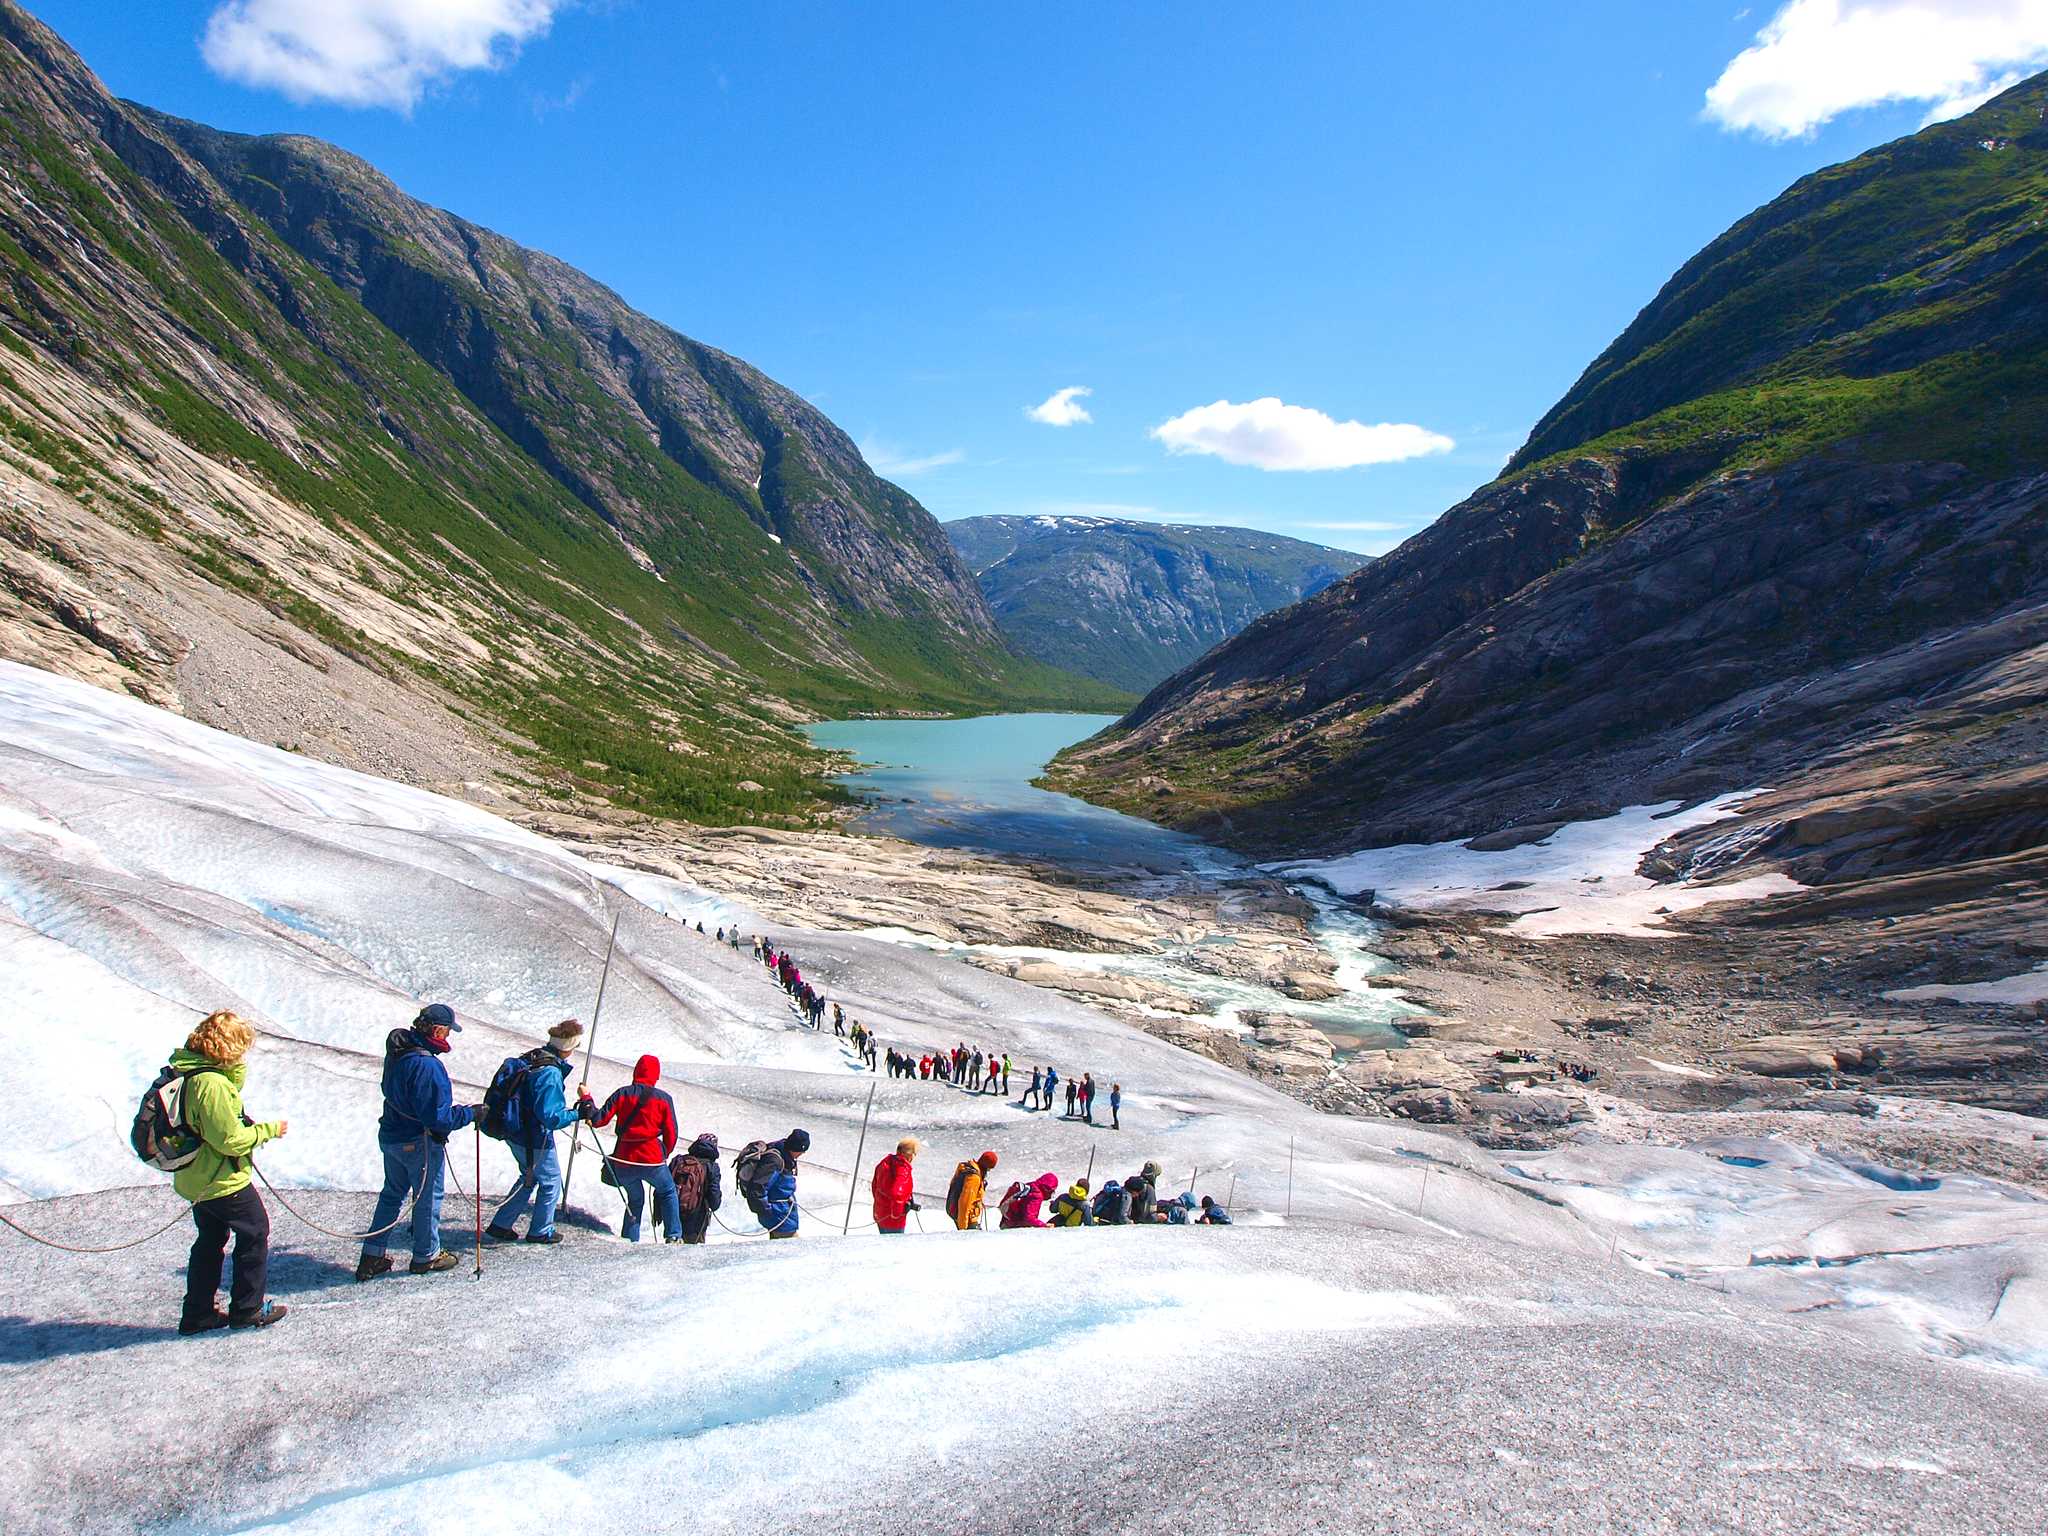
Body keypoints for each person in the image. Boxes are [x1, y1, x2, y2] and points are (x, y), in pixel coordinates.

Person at [168, 1011, 288, 1334]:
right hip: (220, 1180)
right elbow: (231, 1140)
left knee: (209, 1240)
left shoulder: (191, 1070)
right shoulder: (212, 1085)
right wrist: (269, 1130)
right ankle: (247, 1309)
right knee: (255, 1233)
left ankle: (198, 1313)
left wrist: (233, 1070)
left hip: (196, 1179)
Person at [356, 1003, 475, 1283]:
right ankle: (426, 1255)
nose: (448, 1037)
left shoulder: (398, 1052)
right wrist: (471, 1113)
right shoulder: (428, 1065)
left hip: (391, 1135)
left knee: (391, 1195)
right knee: (426, 1198)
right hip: (418, 1141)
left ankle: (373, 1255)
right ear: (437, 1029)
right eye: (447, 1031)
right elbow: (439, 1118)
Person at [485, 1020, 593, 1246]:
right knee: (551, 1181)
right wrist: (577, 1113)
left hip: (515, 1131)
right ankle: (541, 1231)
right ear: (569, 1045)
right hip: (535, 1137)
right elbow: (551, 1116)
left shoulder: (533, 1058)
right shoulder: (550, 1072)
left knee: (528, 1176)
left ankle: (501, 1224)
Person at [592, 1054, 681, 1243]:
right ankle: (673, 1235)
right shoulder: (664, 1099)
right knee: (667, 1191)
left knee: (635, 1199)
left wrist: (586, 1099)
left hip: (624, 1159)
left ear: (636, 1071)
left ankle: (631, 1238)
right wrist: (664, 1152)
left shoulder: (622, 1094)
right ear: (656, 1075)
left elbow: (599, 1120)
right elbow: (672, 1132)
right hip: (652, 1159)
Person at [740, 1129, 809, 1239]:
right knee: (791, 1250)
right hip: (779, 1215)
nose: (801, 1154)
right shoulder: (775, 1160)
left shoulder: (783, 1155)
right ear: (796, 1148)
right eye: (802, 1151)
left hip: (783, 1214)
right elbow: (758, 1188)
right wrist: (768, 1212)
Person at [670, 1131, 722, 1244]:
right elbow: (714, 1200)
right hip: (696, 1217)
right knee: (692, 1253)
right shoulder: (712, 1167)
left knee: (673, 1249)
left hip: (673, 1215)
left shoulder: (679, 1161)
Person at [872, 1136, 919, 1235]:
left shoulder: (885, 1162)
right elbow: (897, 1193)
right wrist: (896, 1214)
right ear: (910, 1154)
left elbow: (874, 1186)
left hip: (880, 1214)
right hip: (893, 1220)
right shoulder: (902, 1168)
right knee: (894, 1247)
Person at [946, 1150, 999, 1230]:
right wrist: (963, 1229)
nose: (989, 1171)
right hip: (968, 1219)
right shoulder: (974, 1178)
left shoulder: (968, 1170)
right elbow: (964, 1203)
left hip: (965, 1216)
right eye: (989, 1168)